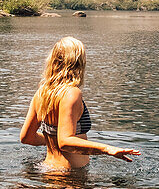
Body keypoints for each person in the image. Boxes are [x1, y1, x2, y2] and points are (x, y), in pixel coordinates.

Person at [20, 36, 140, 172]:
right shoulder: (72, 93)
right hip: (70, 175)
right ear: (78, 62)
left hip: (47, 168)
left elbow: (26, 138)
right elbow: (65, 141)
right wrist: (107, 149)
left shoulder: (42, 93)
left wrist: (51, 140)